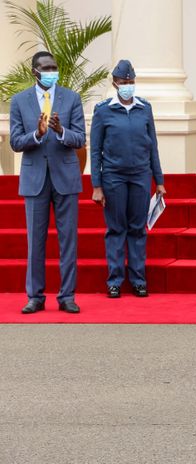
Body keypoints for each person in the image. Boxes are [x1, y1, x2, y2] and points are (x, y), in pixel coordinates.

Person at [9, 51, 85, 314]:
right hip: (34, 179)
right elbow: (15, 142)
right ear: (35, 72)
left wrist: (61, 131)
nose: (52, 71)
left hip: (65, 178)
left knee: (68, 241)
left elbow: (80, 138)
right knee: (35, 242)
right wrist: (37, 134)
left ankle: (67, 296)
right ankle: (35, 297)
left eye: (54, 67)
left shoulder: (71, 98)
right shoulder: (19, 101)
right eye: (47, 68)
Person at [90, 60, 165, 299]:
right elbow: (95, 150)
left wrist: (159, 180)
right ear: (115, 83)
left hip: (141, 175)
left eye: (131, 82)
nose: (128, 86)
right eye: (123, 83)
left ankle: (138, 279)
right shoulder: (103, 110)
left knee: (137, 229)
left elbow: (152, 146)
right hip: (114, 177)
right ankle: (114, 280)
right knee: (116, 228)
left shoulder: (145, 108)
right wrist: (96, 186)